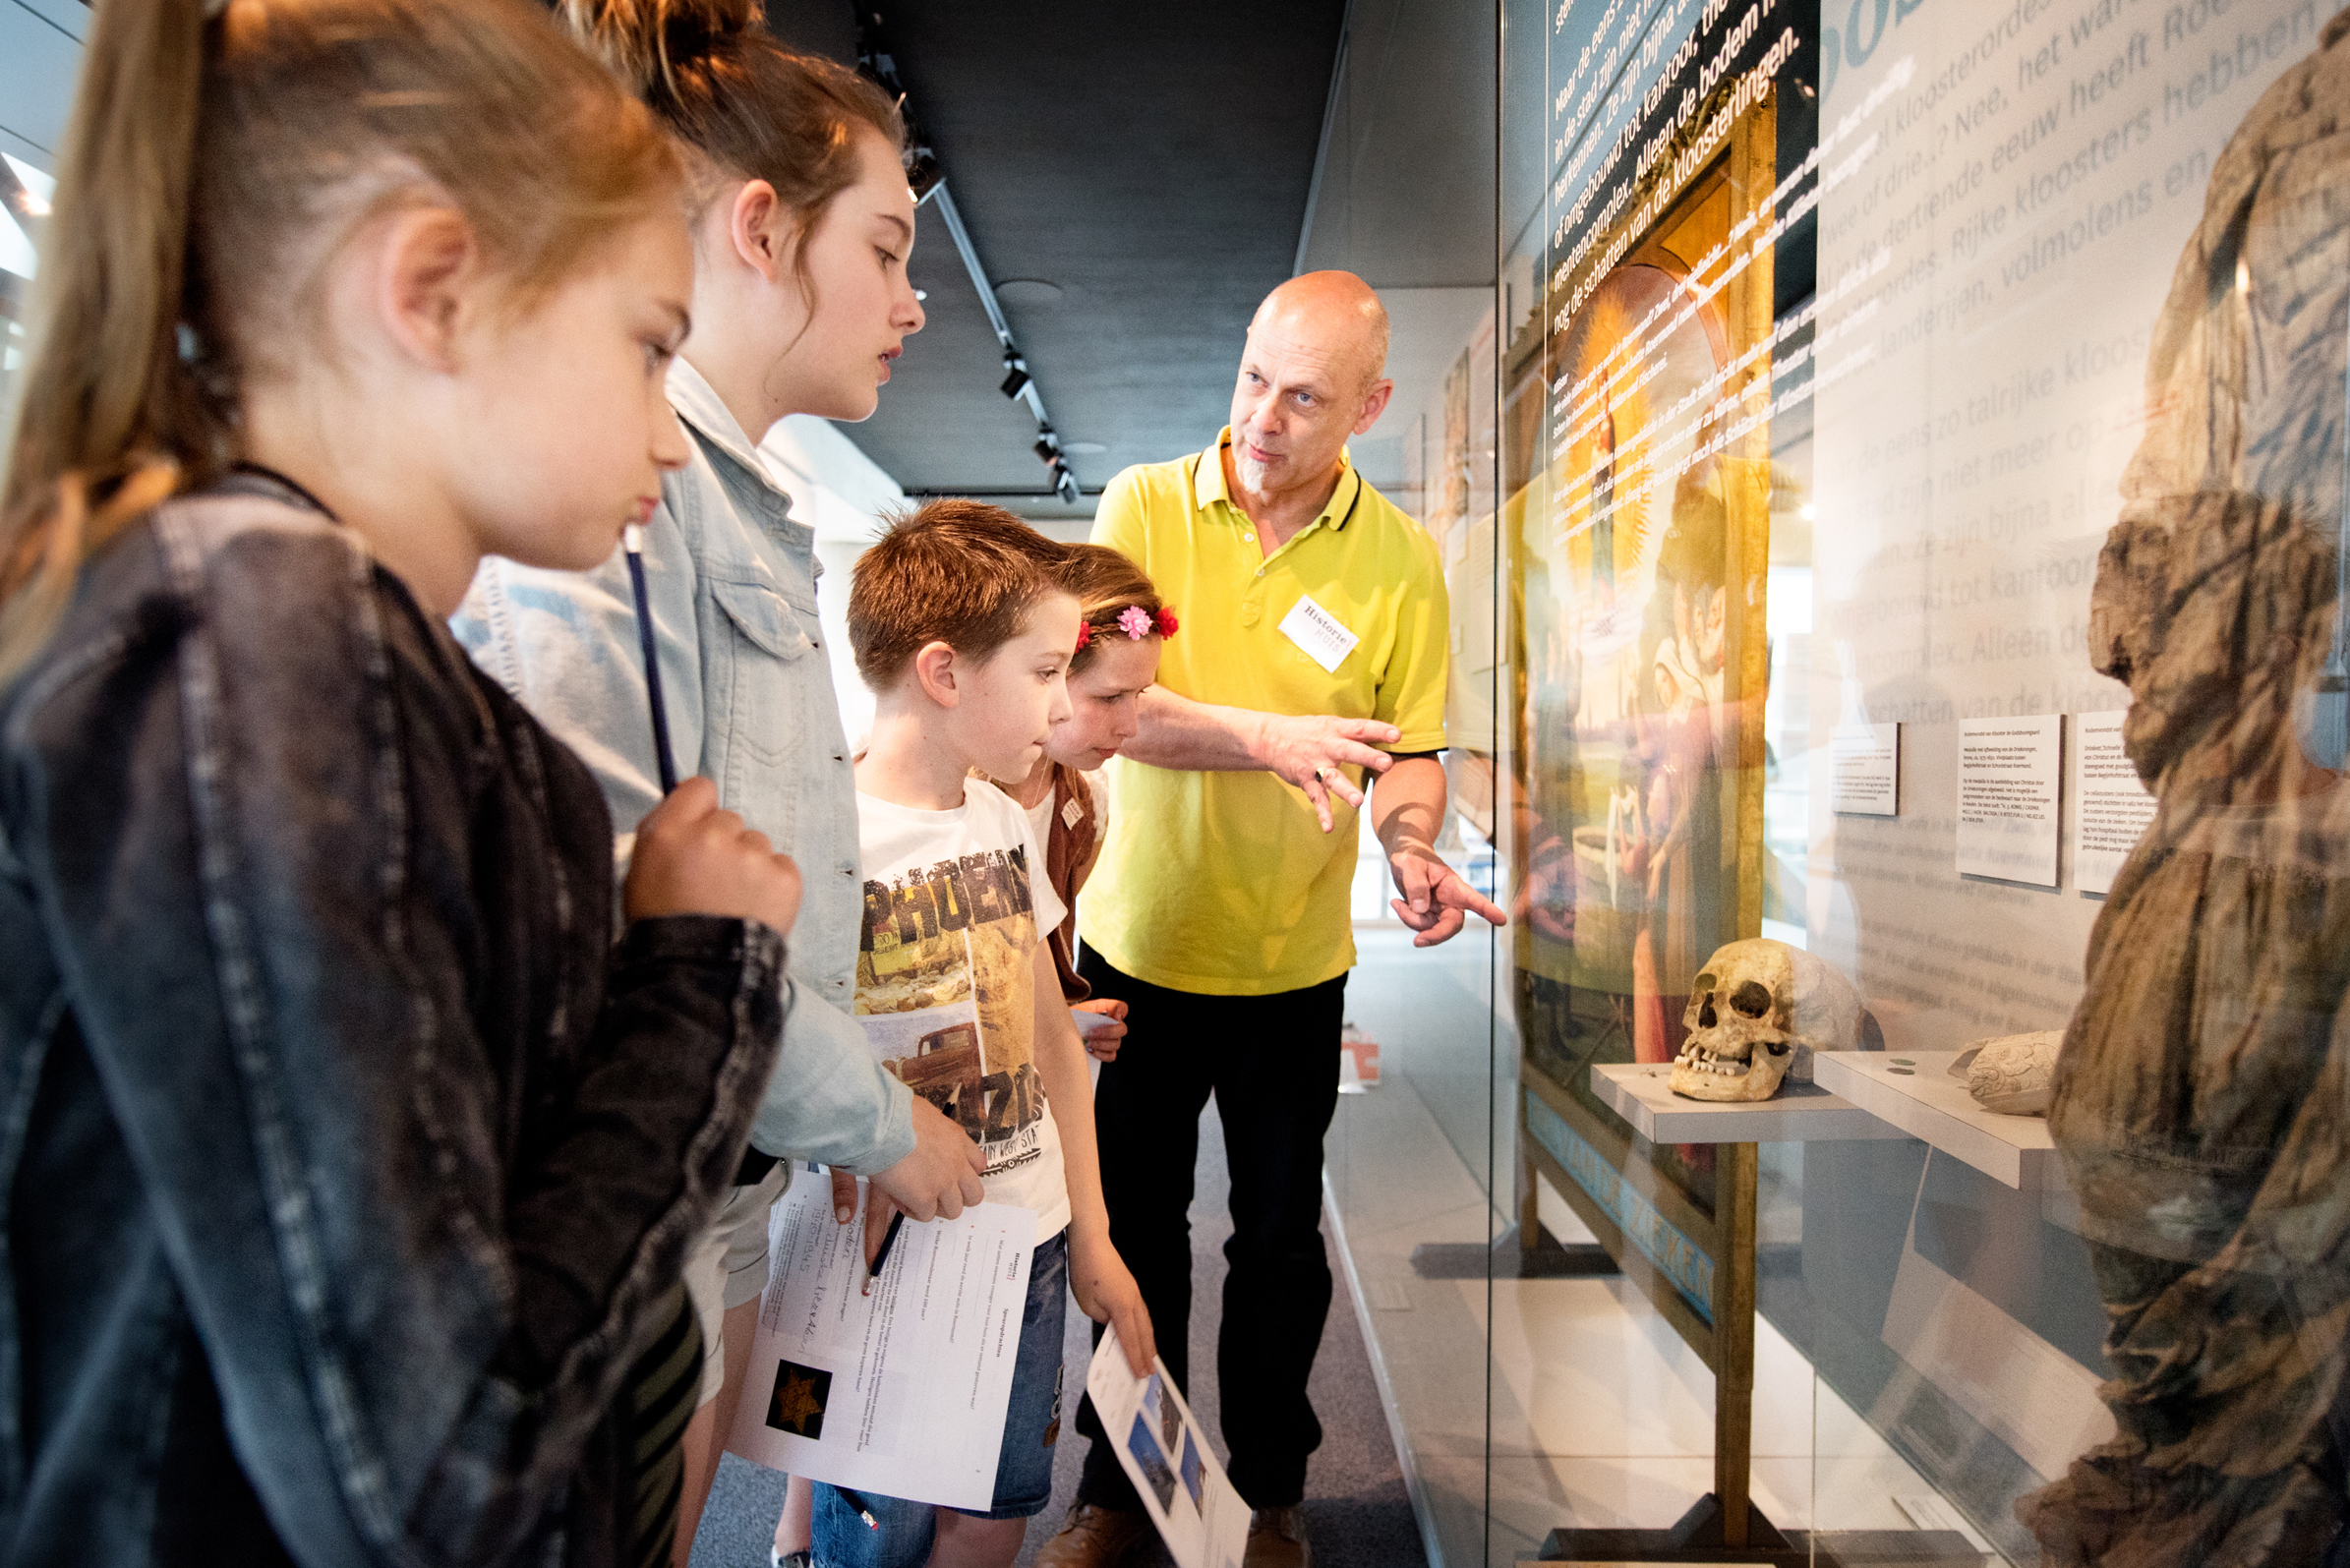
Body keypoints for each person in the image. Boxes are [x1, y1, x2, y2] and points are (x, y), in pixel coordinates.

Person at [0, 1, 804, 1564]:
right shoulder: (264, 633)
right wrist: (701, 980)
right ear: (433, 288)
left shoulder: (287, 630)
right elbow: (429, 1475)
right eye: (647, 343)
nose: (668, 426)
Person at [450, 3, 987, 1554]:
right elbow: (635, 902)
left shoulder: (738, 500)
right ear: (762, 230)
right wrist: (880, 1120)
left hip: (724, 1163)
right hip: (640, 1179)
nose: (912, 299)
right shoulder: (635, 496)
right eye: (885, 249)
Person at [1042, 271, 1506, 1568]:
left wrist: (1411, 843)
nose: (1262, 416)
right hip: (1130, 949)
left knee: (1277, 1242)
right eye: (1254, 377)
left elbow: (1407, 749)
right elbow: (1112, 710)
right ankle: (1118, 1489)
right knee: (1130, 1235)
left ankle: (1271, 1490)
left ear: (1370, 405)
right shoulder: (1143, 504)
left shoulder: (1399, 558)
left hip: (1292, 963)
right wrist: (1265, 732)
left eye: (1303, 396)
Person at [771, 542, 1170, 1564]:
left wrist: (1091, 1229)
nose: (1056, 704)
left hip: (1022, 1237)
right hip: (875, 1251)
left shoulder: (998, 817)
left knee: (994, 1512)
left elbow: (1048, 1038)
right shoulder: (822, 835)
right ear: (944, 673)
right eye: (1041, 673)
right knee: (875, 1521)